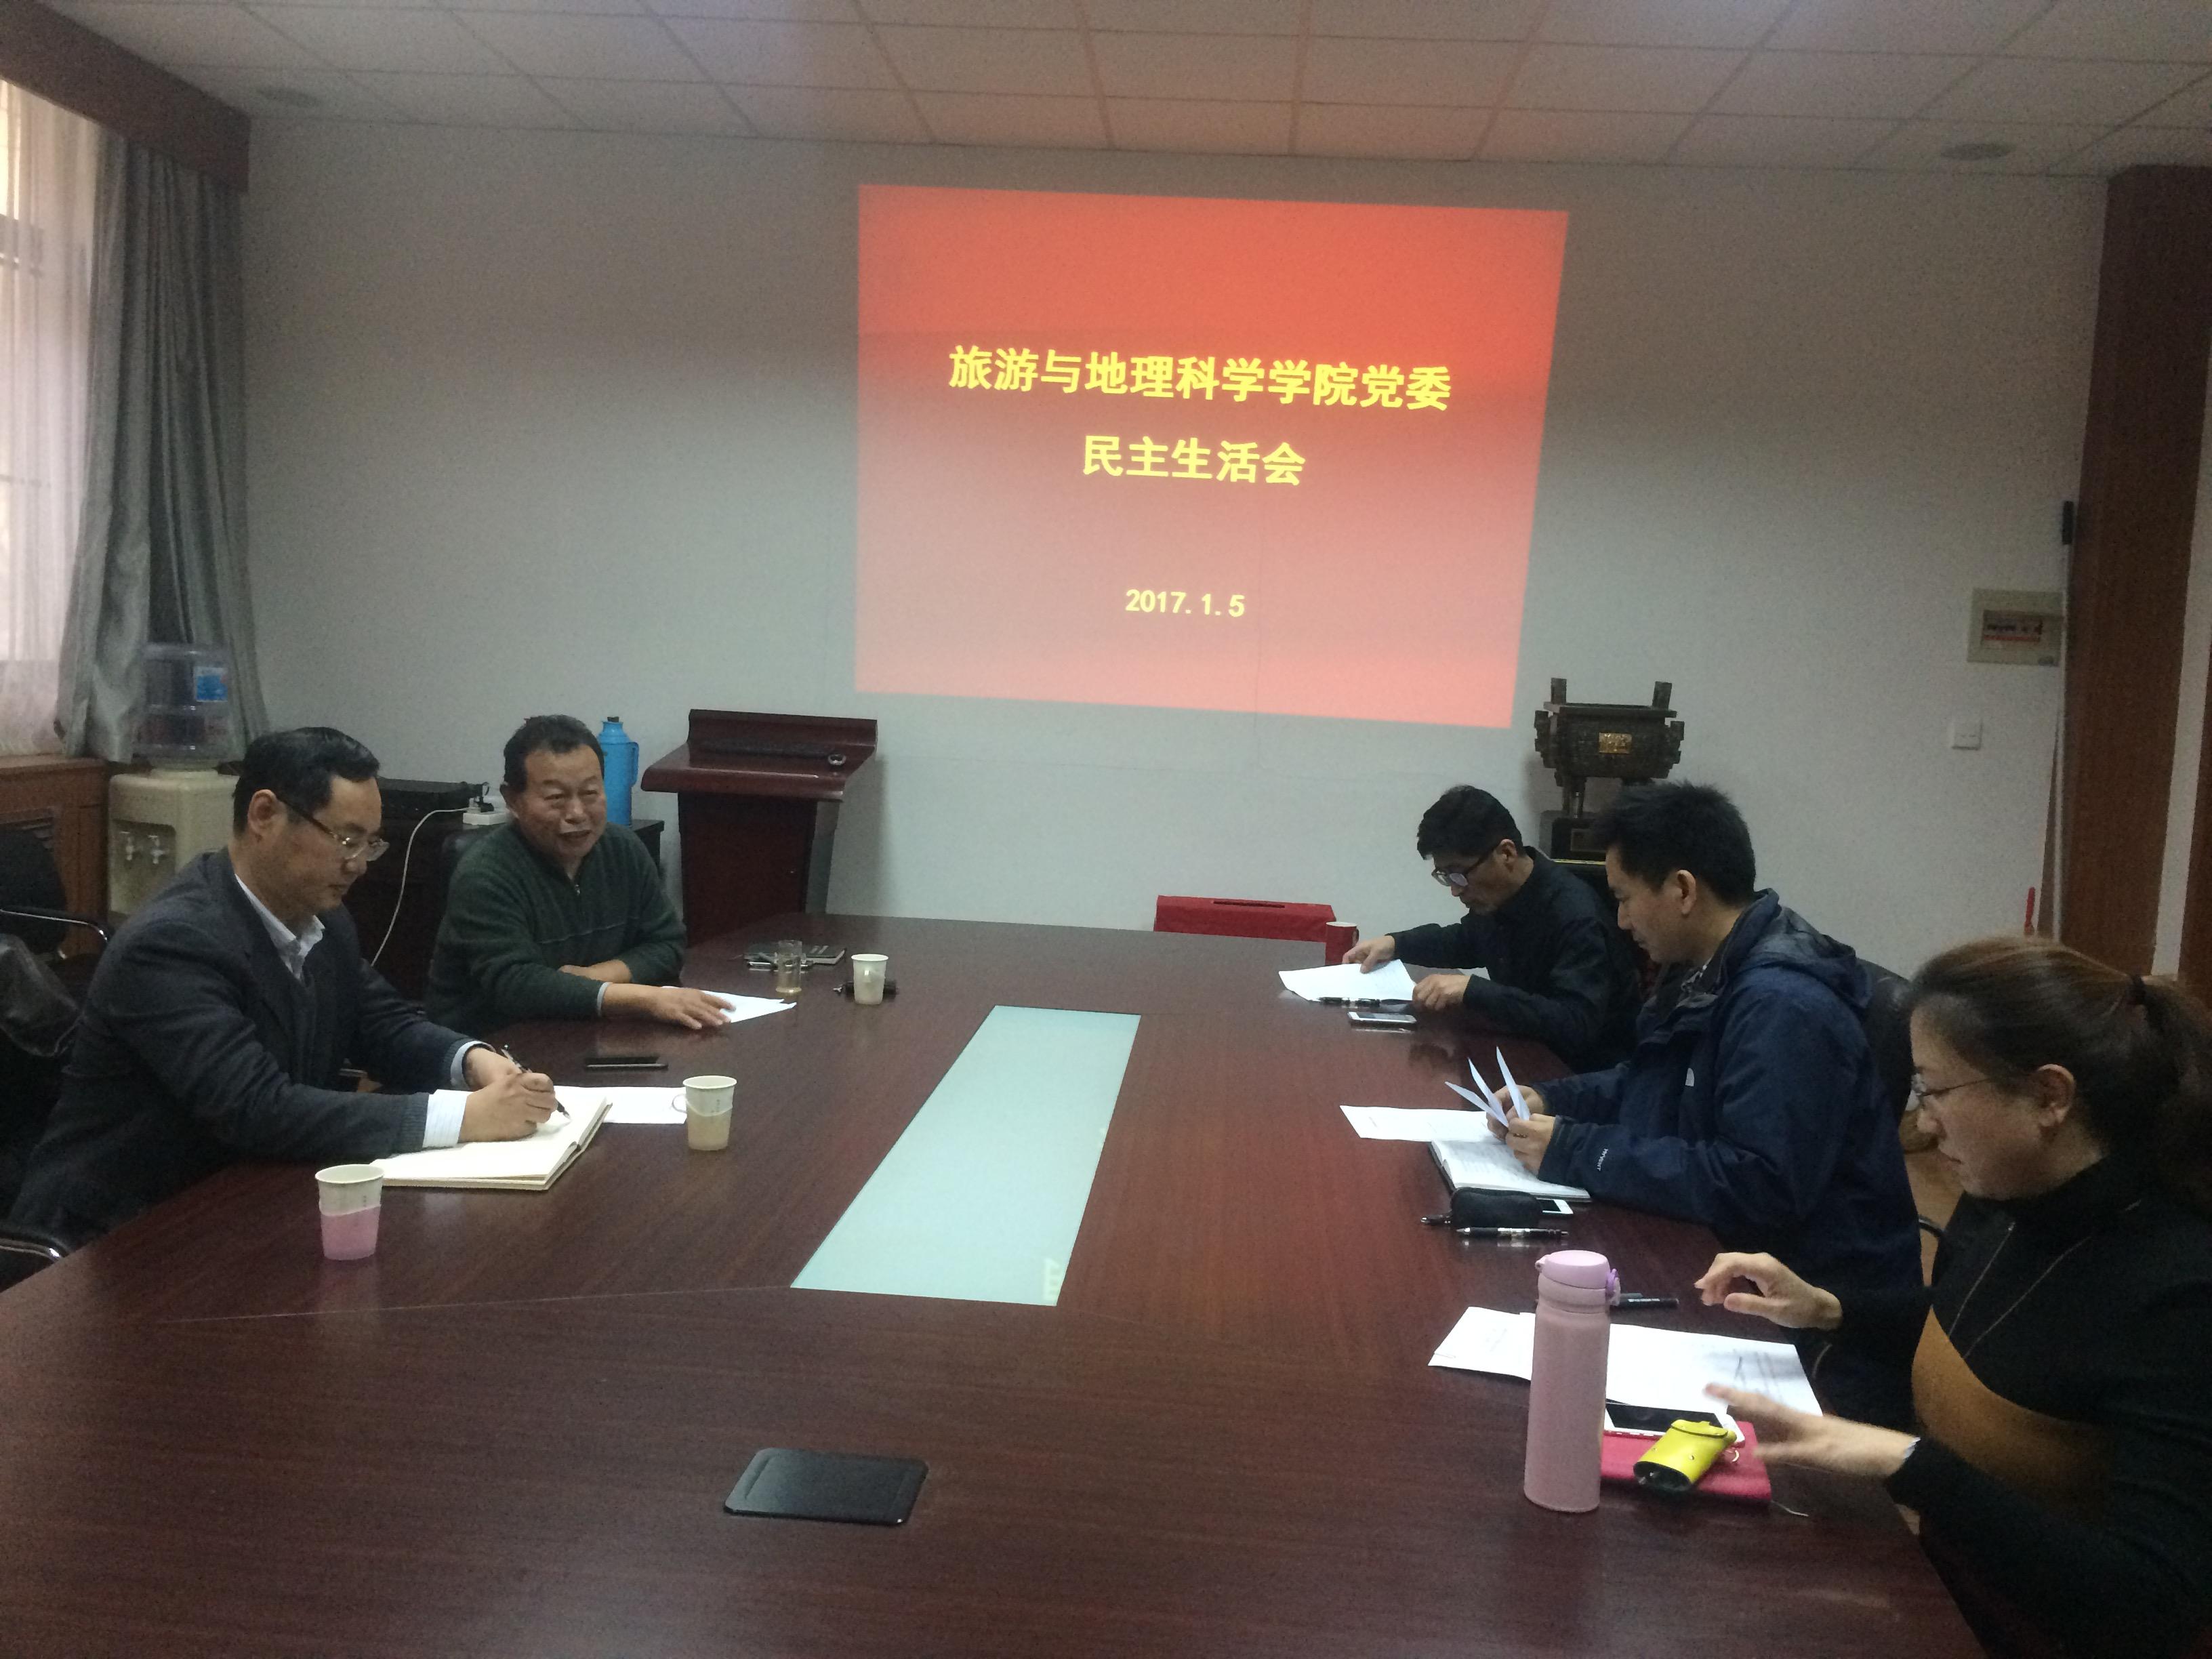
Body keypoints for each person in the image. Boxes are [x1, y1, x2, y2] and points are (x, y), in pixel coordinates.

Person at [1701, 938, 2212, 1659]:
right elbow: (1982, 1325)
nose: (1924, 1121)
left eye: (1937, 1091)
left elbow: (2150, 1603)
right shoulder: (2013, 1198)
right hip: (1945, 1594)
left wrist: (1911, 1464)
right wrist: (1829, 1308)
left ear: (2049, 1097)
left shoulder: (2181, 1293)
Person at [11, 727, 555, 1247]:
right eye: (345, 839)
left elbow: (384, 1025)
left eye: (369, 844)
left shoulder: (324, 919)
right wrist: (465, 1118)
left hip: (246, 1202)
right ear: (265, 815)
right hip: (115, 1237)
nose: (358, 865)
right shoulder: (171, 943)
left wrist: (474, 1061)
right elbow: (256, 1108)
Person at [1490, 780, 1921, 1425]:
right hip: (1727, 1264)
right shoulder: (1708, 972)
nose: (1621, 921)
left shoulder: (1781, 1007)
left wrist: (1579, 1150)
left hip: (1812, 1327)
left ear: (1684, 890)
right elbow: (1651, 1081)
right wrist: (1554, 1096)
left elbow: (1757, 1186)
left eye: (1624, 898)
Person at [425, 715, 729, 1037]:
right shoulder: (486, 873)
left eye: (590, 793)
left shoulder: (623, 849)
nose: (577, 813)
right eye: (556, 798)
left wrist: (596, 978)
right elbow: (516, 985)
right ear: (513, 800)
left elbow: (667, 944)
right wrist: (645, 999)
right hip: (492, 1045)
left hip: (586, 1032)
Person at [1342, 785, 1639, 1069]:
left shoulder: (1576, 916)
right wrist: (1395, 944)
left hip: (1576, 1075)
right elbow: (1465, 941)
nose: (1455, 891)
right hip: (1522, 1054)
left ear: (1506, 854)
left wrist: (1475, 991)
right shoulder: (1502, 899)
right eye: (1445, 877)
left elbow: (1575, 1023)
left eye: (1459, 875)